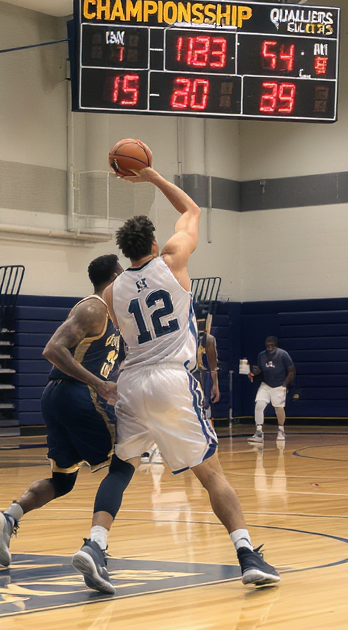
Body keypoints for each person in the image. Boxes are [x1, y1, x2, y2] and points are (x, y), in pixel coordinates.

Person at [106, 165, 280, 586]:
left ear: (125, 252)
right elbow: (192, 209)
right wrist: (151, 177)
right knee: (212, 475)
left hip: (131, 381)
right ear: (152, 242)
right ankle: (247, 555)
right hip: (171, 379)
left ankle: (94, 545)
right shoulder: (173, 260)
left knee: (121, 469)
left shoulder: (113, 291)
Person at [0, 254, 136, 594]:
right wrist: (99, 384)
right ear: (114, 277)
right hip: (77, 395)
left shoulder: (115, 317)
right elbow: (52, 349)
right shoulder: (93, 308)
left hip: (60, 398)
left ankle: (9, 517)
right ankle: (95, 547)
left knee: (62, 481)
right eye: (123, 275)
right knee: (124, 465)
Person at [248, 337, 294, 442]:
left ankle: (281, 430)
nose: (269, 347)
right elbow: (260, 370)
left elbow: (291, 370)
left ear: (275, 345)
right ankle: (259, 432)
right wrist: (255, 372)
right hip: (266, 384)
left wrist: (285, 385)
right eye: (267, 345)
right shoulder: (262, 355)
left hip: (279, 385)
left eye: (271, 345)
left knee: (279, 409)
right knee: (259, 405)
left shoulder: (283, 354)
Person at [197, 311, 221, 423]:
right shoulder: (208, 339)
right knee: (204, 409)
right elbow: (213, 367)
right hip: (200, 377)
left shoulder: (207, 339)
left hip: (197, 377)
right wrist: (215, 385)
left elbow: (213, 367)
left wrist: (215, 385)